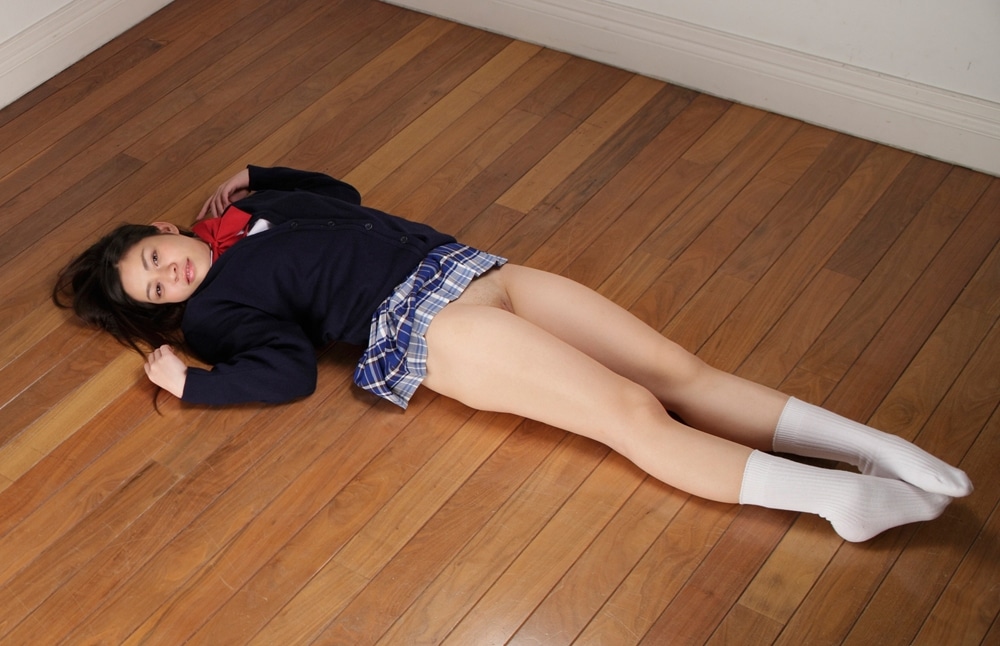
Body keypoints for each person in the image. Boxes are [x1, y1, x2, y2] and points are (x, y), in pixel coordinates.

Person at [53, 165, 973, 542]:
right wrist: (194, 384)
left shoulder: (256, 213)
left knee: (679, 373)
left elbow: (345, 194)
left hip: (480, 270)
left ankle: (869, 447)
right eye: (157, 293)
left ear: (165, 228)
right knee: (631, 414)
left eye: (155, 258)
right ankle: (835, 499)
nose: (170, 275)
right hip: (433, 328)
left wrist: (261, 176)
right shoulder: (220, 310)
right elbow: (289, 372)